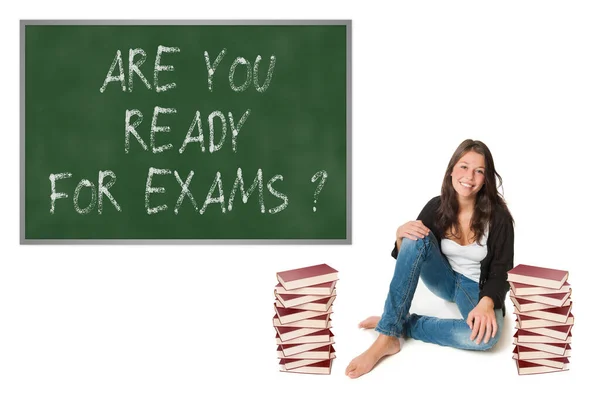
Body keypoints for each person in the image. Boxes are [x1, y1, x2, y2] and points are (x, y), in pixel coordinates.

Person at [345, 139, 515, 379]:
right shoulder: (436, 207)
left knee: (485, 338)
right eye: (464, 167)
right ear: (451, 170)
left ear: (486, 178)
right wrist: (399, 237)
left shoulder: (499, 217)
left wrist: (487, 301)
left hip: (475, 287)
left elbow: (503, 269)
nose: (470, 176)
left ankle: (401, 325)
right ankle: (387, 338)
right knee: (414, 234)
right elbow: (409, 254)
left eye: (479, 171)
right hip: (443, 279)